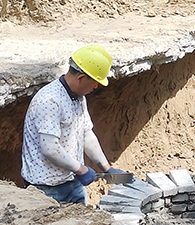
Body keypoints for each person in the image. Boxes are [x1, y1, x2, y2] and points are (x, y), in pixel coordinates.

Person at [21, 44, 125, 205]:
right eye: (95, 81)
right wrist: (81, 169)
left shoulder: (78, 97)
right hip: (47, 188)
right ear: (81, 78)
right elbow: (50, 149)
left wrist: (106, 168)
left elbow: (86, 134)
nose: (96, 86)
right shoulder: (50, 101)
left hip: (72, 182)